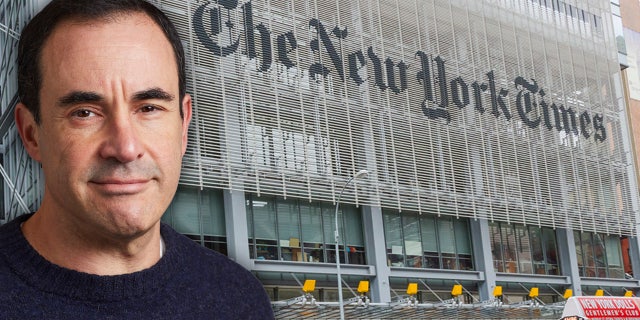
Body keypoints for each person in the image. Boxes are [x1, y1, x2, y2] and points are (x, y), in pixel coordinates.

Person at [0, 0, 274, 318]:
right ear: (31, 134)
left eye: (149, 108)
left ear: (183, 126)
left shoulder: (240, 299)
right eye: (85, 113)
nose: (126, 148)